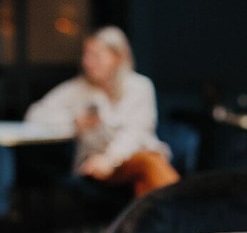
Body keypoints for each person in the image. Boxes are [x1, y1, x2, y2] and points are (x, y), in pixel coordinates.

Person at [24, 26, 180, 199]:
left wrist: (110, 159)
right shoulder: (77, 89)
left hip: (131, 157)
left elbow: (135, 133)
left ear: (118, 57)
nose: (87, 62)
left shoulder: (140, 87)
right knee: (150, 168)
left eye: (96, 55)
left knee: (147, 168)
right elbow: (35, 115)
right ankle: (185, 211)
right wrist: (74, 122)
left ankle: (172, 211)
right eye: (86, 54)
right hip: (95, 165)